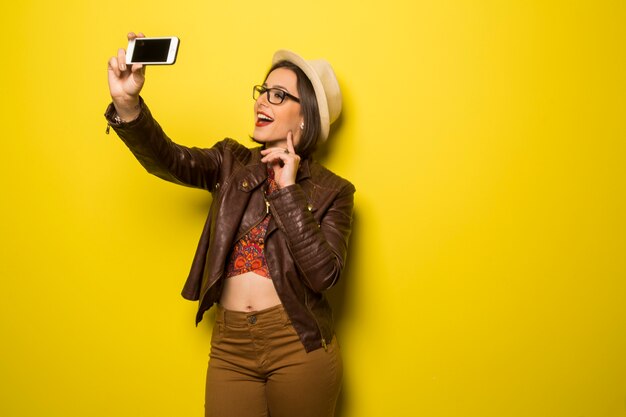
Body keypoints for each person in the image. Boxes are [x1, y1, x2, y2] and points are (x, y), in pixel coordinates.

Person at [105, 32, 355, 417]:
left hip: (298, 345)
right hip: (231, 348)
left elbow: (324, 276)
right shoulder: (230, 161)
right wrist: (128, 104)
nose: (261, 100)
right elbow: (170, 160)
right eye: (262, 90)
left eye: (277, 94)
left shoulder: (333, 192)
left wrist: (288, 191)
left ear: (305, 115)